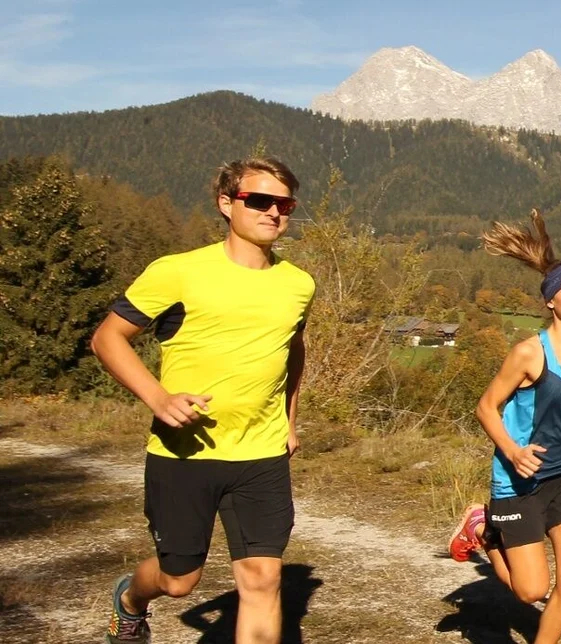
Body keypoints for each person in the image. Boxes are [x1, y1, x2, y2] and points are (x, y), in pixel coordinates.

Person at [92, 157, 315, 644]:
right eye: (258, 200)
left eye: (284, 204)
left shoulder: (298, 284)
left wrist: (289, 420)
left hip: (260, 455)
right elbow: (108, 338)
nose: (273, 212)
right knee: (179, 581)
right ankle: (131, 599)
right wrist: (157, 396)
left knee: (262, 580)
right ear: (226, 203)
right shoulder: (177, 272)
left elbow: (291, 352)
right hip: (183, 454)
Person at [444, 210, 561, 644]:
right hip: (519, 481)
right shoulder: (529, 353)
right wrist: (513, 452)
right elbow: (485, 408)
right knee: (531, 590)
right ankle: (482, 525)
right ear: (551, 300)